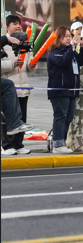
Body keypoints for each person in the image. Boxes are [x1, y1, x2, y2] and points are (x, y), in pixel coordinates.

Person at [47, 26, 83, 154]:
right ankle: (57, 143)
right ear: (58, 38)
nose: (67, 38)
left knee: (68, 117)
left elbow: (81, 61)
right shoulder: (55, 52)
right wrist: (72, 48)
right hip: (60, 90)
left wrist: (82, 48)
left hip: (71, 90)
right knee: (60, 116)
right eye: (64, 36)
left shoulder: (70, 51)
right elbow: (63, 61)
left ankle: (61, 142)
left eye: (68, 36)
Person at [1, 15, 37, 155]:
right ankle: (6, 145)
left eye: (19, 24)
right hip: (9, 86)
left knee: (21, 117)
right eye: (14, 24)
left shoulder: (24, 42)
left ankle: (18, 144)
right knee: (7, 117)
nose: (18, 26)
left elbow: (28, 65)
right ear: (7, 26)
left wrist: (31, 64)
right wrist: (12, 64)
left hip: (23, 86)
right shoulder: (4, 42)